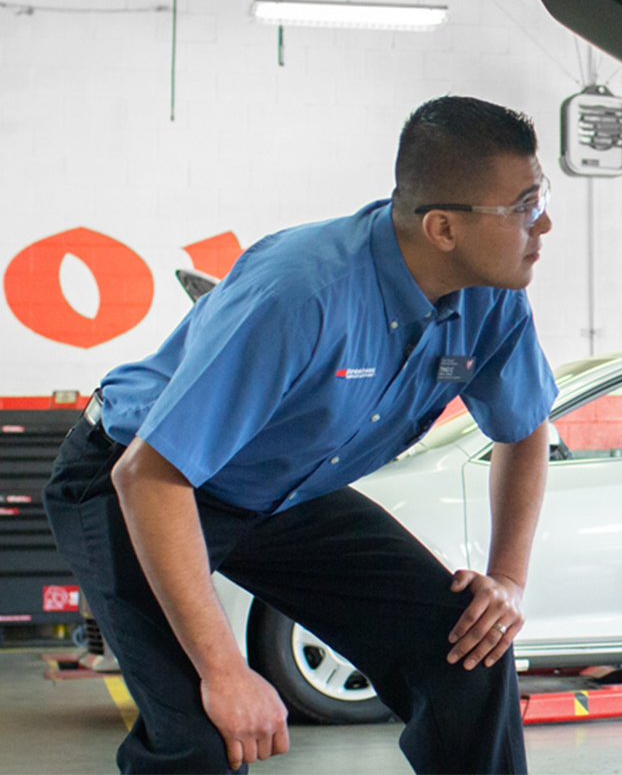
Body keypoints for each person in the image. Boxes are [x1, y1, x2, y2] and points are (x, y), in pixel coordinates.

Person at [43, 95, 557, 775]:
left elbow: (524, 431)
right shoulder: (305, 292)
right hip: (134, 483)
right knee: (205, 734)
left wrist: (508, 581)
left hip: (278, 493)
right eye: (522, 207)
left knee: (465, 649)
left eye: (540, 197)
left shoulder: (493, 297)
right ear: (442, 228)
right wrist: (226, 672)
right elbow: (151, 475)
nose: (543, 224)